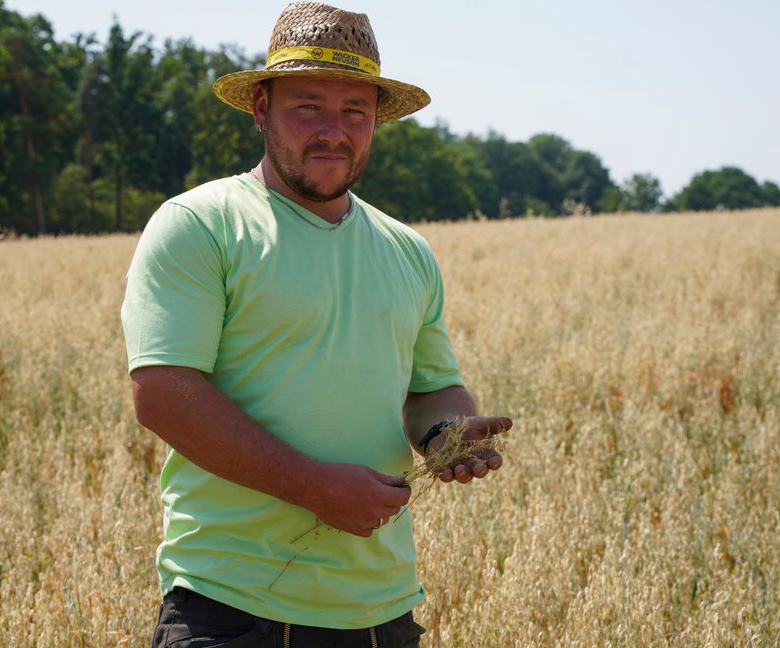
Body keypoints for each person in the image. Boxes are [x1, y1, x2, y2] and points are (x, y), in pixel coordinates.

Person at [121, 2, 512, 646]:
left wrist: (446, 436)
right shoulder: (199, 225)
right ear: (261, 109)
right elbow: (162, 393)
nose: (335, 130)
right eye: (308, 106)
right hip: (233, 607)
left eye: (354, 111)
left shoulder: (407, 251)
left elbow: (430, 389)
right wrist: (311, 487)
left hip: (381, 611)